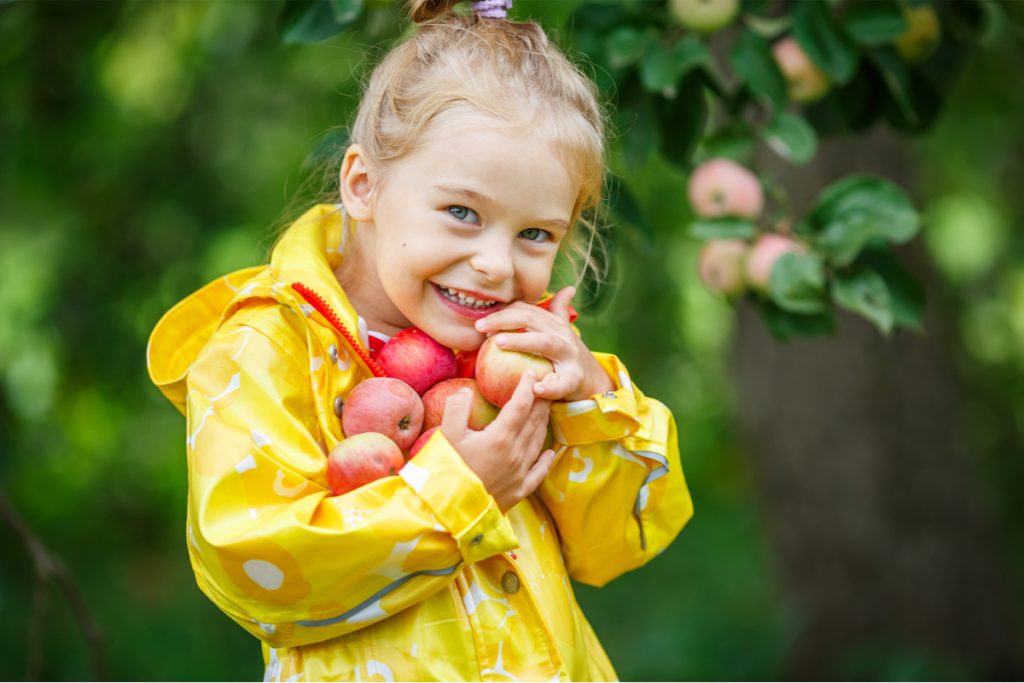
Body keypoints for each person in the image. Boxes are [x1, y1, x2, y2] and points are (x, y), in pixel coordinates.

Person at [147, 0, 694, 679]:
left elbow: (617, 543)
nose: (497, 263)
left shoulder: (520, 351)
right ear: (364, 184)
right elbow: (252, 565)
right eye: (463, 213)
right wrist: (457, 491)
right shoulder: (269, 349)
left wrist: (594, 399)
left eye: (535, 234)